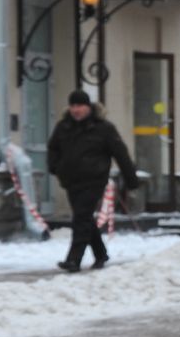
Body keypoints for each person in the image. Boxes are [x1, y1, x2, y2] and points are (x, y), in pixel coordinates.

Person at [47, 90, 139, 273]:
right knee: (85, 218)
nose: (76, 110)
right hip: (71, 180)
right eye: (73, 106)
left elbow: (120, 153)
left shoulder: (103, 128)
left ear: (88, 107)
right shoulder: (63, 127)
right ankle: (100, 254)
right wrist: (55, 167)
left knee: (81, 217)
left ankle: (73, 260)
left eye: (80, 106)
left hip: (94, 180)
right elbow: (53, 148)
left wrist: (131, 179)